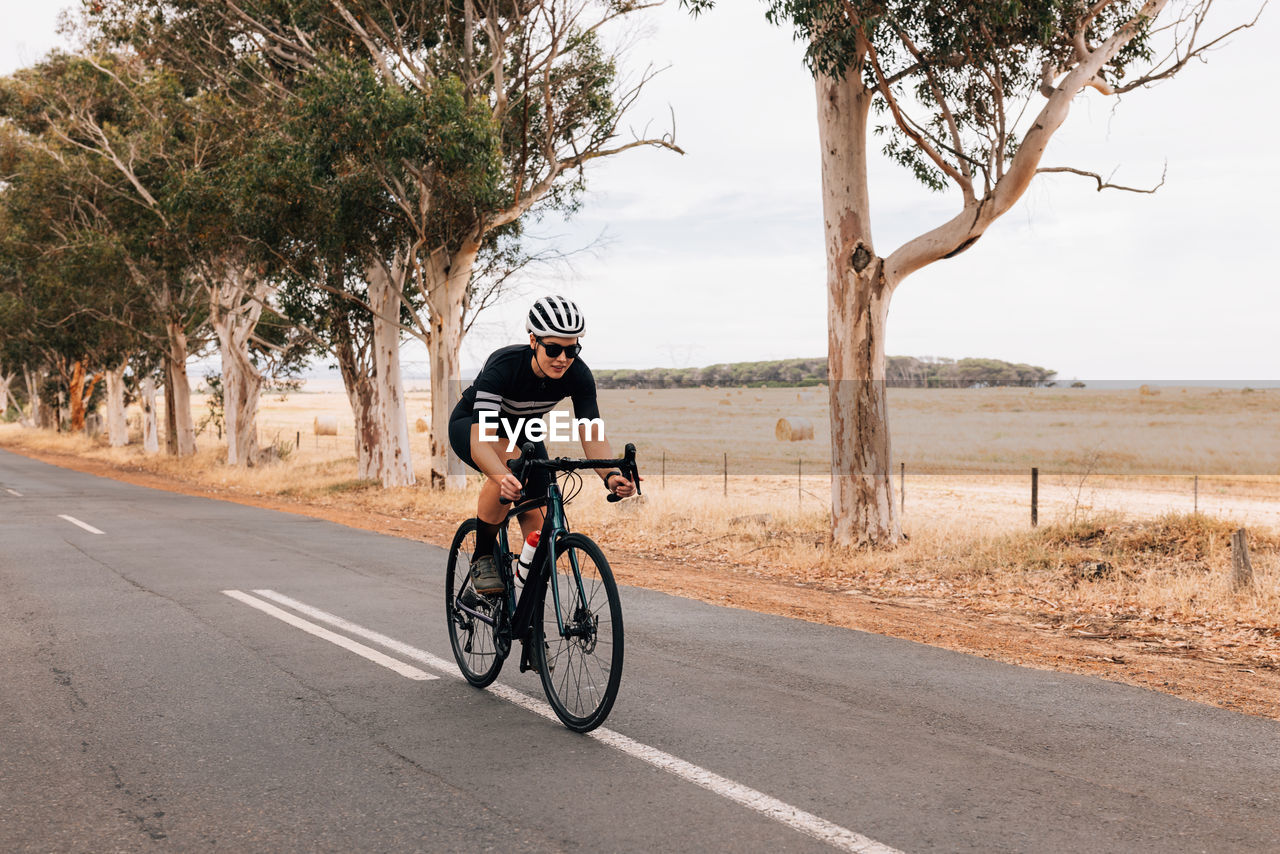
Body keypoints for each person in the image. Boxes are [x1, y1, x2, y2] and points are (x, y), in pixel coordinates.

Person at [448, 295, 637, 595]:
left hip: (524, 433)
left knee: (539, 533)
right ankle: (483, 557)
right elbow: (481, 440)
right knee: (511, 466)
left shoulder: (578, 374)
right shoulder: (504, 365)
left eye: (571, 349)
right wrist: (501, 478)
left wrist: (611, 476)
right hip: (473, 427)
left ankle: (525, 614)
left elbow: (592, 432)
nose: (563, 358)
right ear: (534, 340)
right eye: (553, 349)